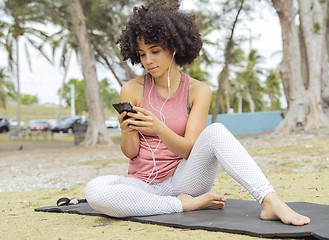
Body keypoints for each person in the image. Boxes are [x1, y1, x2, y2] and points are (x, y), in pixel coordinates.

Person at [85, 1, 310, 226]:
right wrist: (126, 132)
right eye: (142, 54)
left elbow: (189, 150)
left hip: (185, 180)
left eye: (155, 51)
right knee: (95, 190)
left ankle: (268, 199)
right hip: (142, 185)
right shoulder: (131, 89)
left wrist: (158, 128)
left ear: (174, 47)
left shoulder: (198, 90)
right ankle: (182, 205)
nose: (148, 61)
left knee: (216, 132)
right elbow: (131, 153)